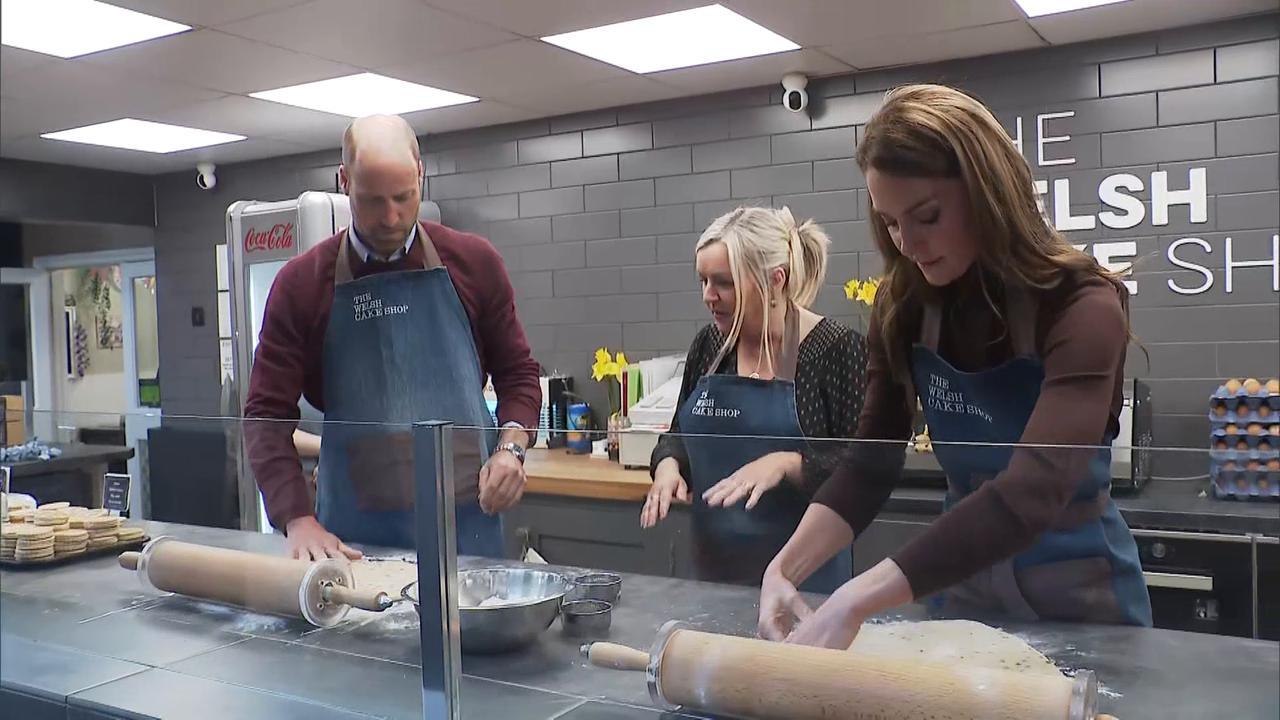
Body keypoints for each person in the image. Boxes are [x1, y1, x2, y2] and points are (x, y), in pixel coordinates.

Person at [758, 84, 1153, 649]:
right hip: (959, 585)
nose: (909, 244)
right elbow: (869, 466)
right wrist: (785, 570)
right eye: (891, 223)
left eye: (927, 216)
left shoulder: (1084, 305)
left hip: (1079, 590)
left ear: (987, 191)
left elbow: (1030, 494)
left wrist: (856, 596)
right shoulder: (904, 307)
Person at [244, 114, 541, 561]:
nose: (391, 217)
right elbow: (266, 416)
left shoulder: (475, 264)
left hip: (468, 535)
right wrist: (296, 518)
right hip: (353, 544)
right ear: (344, 182)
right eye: (372, 200)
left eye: (404, 197)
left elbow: (518, 373)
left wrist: (511, 448)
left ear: (421, 174)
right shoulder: (301, 285)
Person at [644, 206, 868, 594]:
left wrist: (789, 463)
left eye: (723, 283)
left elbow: (863, 471)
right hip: (713, 579)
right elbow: (679, 434)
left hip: (805, 586)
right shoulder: (710, 346)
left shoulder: (835, 349)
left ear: (775, 280)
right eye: (702, 281)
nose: (708, 296)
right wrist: (667, 466)